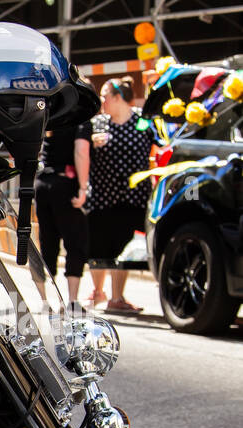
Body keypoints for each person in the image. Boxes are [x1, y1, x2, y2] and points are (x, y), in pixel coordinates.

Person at [82, 76, 155, 313]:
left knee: (123, 248)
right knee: (98, 246)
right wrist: (91, 142)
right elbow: (80, 150)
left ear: (117, 98)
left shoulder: (142, 122)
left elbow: (159, 144)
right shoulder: (98, 124)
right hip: (102, 197)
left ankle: (117, 297)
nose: (101, 101)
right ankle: (97, 291)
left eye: (104, 96)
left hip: (133, 199)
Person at [34, 121, 91, 304]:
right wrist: (83, 188)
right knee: (75, 243)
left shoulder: (52, 116)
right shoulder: (81, 118)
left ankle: (45, 301)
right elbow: (81, 151)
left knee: (47, 243)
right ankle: (72, 301)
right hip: (66, 185)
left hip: (42, 184)